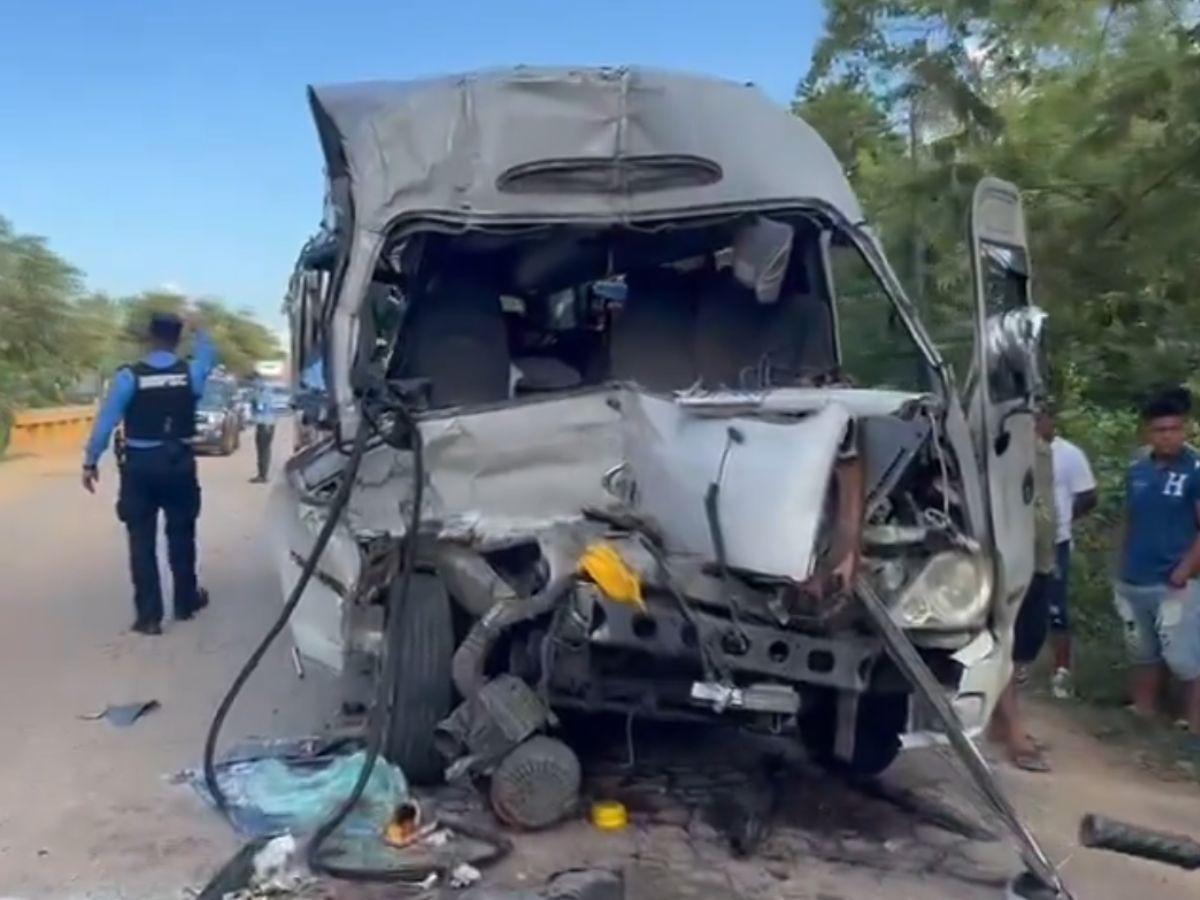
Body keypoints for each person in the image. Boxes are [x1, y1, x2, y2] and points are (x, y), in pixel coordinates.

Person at [82, 312, 216, 635]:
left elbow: (106, 422)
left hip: (140, 468)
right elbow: (209, 356)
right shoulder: (190, 374)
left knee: (141, 541)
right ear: (176, 340)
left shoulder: (130, 377)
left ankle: (149, 617)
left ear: (149, 338)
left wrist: (91, 461)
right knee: (182, 535)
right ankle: (185, 602)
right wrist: (201, 330)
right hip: (179, 464)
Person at [1115, 386, 1200, 736]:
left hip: (1174, 580)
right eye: (1160, 430)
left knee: (1184, 657)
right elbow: (1129, 517)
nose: (1167, 437)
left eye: (1174, 429)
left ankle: (1194, 723)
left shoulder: (1195, 470)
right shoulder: (1138, 468)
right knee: (1142, 651)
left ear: (1185, 429)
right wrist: (1118, 562)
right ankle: (1143, 713)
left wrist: (1185, 570)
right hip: (1134, 577)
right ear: (1149, 433)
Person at [988, 427, 1057, 771]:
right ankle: (1014, 731)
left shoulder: (1044, 451)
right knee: (1006, 645)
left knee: (1026, 643)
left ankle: (1002, 723)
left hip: (1040, 558)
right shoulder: (997, 444)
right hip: (1010, 558)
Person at [1037, 409, 1097, 699]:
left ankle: (1061, 672)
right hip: (1017, 540)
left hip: (1054, 541)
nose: (1036, 423)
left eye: (1041, 417)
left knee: (1056, 607)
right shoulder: (1012, 450)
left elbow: (1088, 496)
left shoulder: (1069, 454)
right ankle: (1015, 667)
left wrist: (1063, 520)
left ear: (1051, 420)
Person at [248, 373, 277, 483]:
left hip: (264, 424)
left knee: (262, 450)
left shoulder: (260, 392)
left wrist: (253, 400)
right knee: (265, 450)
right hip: (270, 424)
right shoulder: (269, 390)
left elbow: (260, 407)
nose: (252, 384)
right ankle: (263, 474)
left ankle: (262, 476)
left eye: (253, 382)